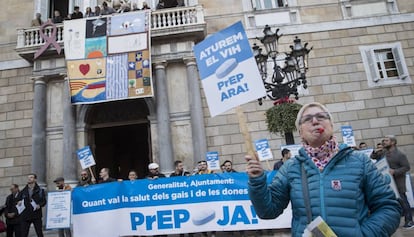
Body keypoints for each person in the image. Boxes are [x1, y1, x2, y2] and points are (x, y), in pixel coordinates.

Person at [246, 102, 401, 237]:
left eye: (322, 116)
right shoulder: (290, 168)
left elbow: (388, 207)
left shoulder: (360, 162)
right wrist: (257, 180)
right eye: (307, 119)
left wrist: (365, 234)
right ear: (300, 131)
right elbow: (268, 211)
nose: (315, 120)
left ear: (331, 126)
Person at [383, 135, 414, 229]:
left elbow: (407, 167)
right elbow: (374, 157)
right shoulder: (384, 153)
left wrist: (395, 171)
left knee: (403, 200)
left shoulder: (400, 154)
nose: (384, 142)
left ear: (393, 142)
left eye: (386, 140)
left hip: (399, 181)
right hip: (388, 182)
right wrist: (375, 152)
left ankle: (409, 220)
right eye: (384, 140)